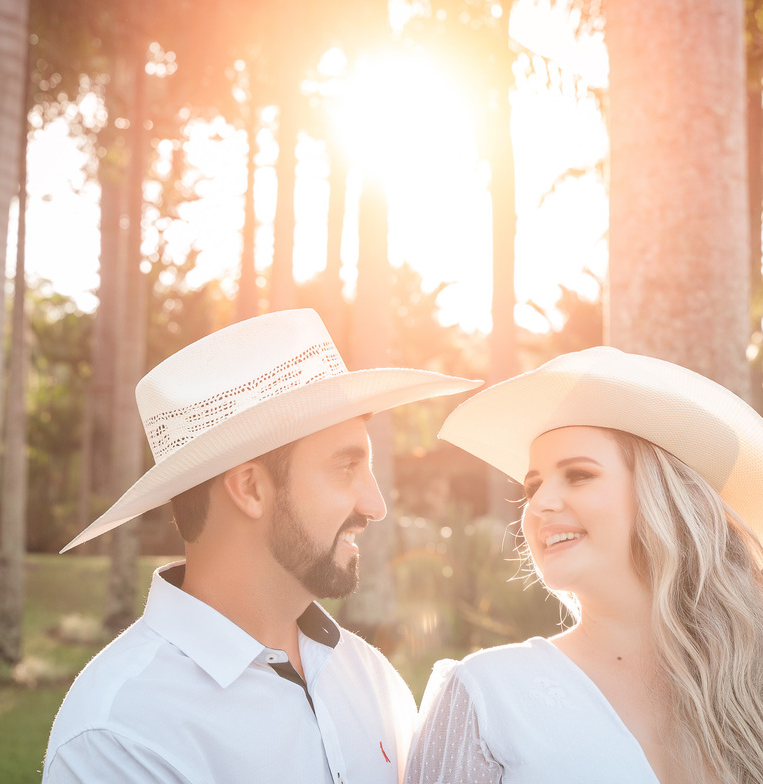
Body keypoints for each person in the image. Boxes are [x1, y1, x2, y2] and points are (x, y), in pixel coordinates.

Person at [406, 346, 763, 784]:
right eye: (533, 487)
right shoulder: (483, 701)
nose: (540, 505)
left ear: (666, 499)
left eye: (578, 475)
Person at [43, 309, 479, 783]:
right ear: (250, 488)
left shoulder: (372, 678)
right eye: (346, 468)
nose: (376, 506)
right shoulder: (122, 736)